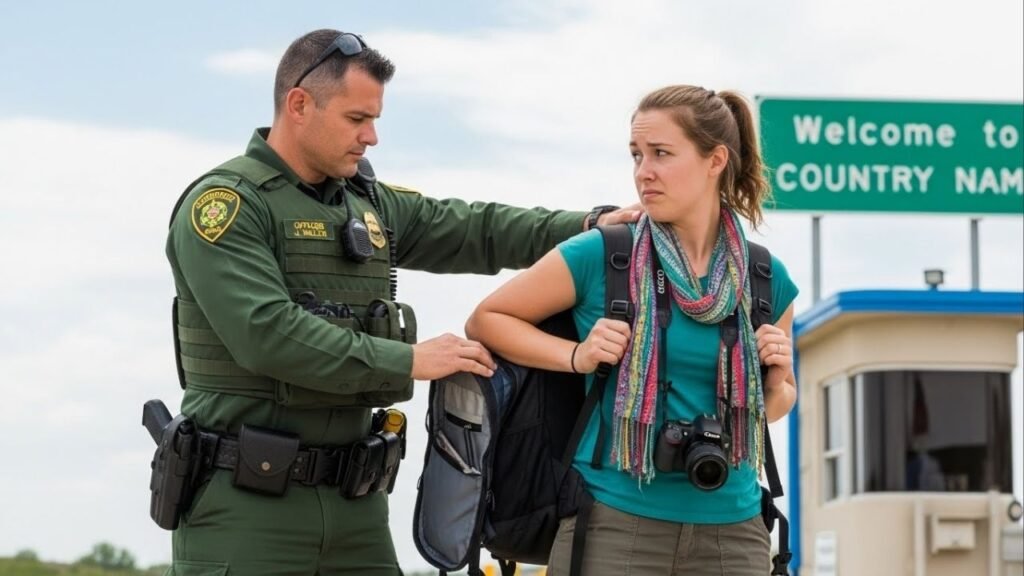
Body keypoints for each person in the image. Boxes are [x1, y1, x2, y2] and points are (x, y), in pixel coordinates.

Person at [163, 29, 638, 576]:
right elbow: (265, 333)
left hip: (356, 509)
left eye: (375, 120)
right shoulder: (228, 205)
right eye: (356, 119)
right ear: (298, 104)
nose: (371, 137)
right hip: (244, 507)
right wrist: (411, 360)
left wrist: (588, 226)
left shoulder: (365, 202)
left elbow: (472, 227)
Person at [466, 85, 799, 576]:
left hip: (737, 530)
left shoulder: (765, 277)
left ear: (715, 160)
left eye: (662, 154)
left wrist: (776, 380)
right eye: (637, 155)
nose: (644, 171)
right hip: (614, 524)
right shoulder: (602, 254)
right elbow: (487, 320)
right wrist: (576, 356)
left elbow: (775, 404)